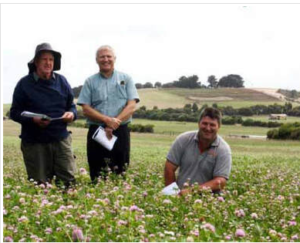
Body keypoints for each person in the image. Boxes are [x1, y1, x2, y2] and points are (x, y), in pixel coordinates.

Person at [10, 43, 77, 187]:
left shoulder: (62, 81)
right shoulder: (24, 84)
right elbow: (14, 112)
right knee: (40, 185)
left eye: (51, 60)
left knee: (68, 182)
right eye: (44, 59)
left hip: (61, 139)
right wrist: (33, 119)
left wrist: (71, 114)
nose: (48, 63)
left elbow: (71, 105)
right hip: (35, 142)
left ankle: (68, 208)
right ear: (36, 62)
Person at [77, 45, 140, 182]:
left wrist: (114, 123)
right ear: (96, 60)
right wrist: (107, 120)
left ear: (114, 59)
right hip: (97, 132)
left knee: (120, 171)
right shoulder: (90, 82)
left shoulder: (126, 79)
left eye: (108, 56)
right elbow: (86, 109)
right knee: (96, 172)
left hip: (120, 131)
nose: (106, 59)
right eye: (102, 57)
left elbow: (131, 106)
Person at [164, 107, 232, 195]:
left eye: (212, 125)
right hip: (180, 198)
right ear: (199, 123)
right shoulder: (183, 140)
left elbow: (220, 181)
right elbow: (169, 168)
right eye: (205, 123)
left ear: (219, 126)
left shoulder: (223, 149)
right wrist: (173, 194)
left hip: (209, 201)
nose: (208, 128)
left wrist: (192, 191)